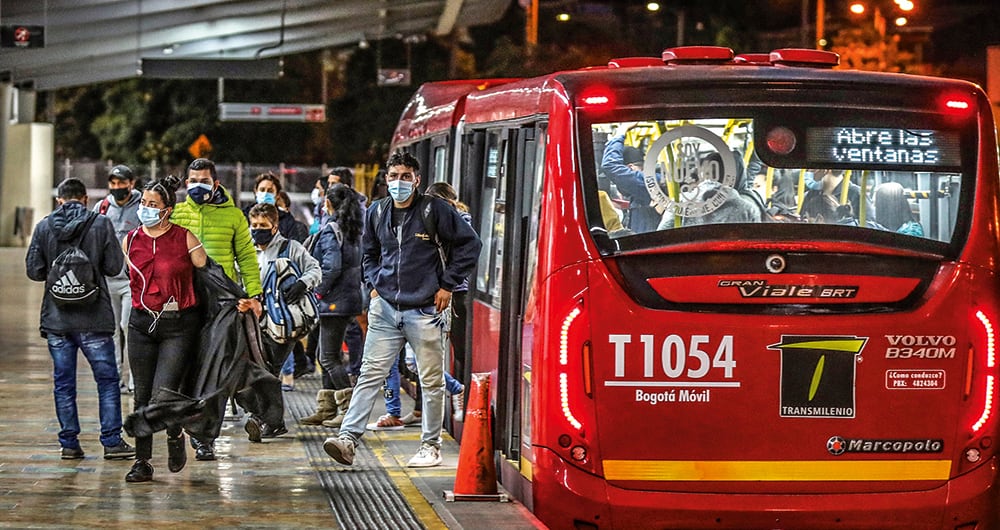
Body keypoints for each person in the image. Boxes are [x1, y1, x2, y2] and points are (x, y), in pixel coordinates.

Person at [323, 152, 482, 469]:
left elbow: (470, 245)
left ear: (417, 179)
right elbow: (369, 252)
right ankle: (348, 440)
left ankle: (431, 446)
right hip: (385, 309)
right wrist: (373, 284)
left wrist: (448, 285)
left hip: (425, 310)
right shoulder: (378, 212)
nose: (399, 182)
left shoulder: (434, 210)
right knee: (369, 375)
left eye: (405, 176)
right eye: (393, 176)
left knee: (431, 381)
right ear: (386, 179)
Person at [25, 178, 135, 462]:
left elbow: (34, 271)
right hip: (94, 318)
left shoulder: (44, 226)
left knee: (64, 383)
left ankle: (69, 444)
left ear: (59, 200)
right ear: (85, 199)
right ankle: (111, 442)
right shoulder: (100, 224)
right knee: (108, 381)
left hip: (57, 319)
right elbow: (114, 267)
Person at [171, 157, 262, 461]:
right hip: (184, 302)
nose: (198, 186)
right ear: (186, 184)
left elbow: (247, 259)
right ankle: (187, 424)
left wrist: (254, 296)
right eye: (193, 181)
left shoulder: (234, 216)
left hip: (223, 304)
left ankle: (204, 436)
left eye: (204, 181)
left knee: (217, 371)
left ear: (216, 184)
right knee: (188, 367)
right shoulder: (176, 214)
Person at [121, 174, 208, 483]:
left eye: (153, 204)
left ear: (167, 209)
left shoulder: (186, 238)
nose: (145, 208)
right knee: (141, 395)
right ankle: (142, 461)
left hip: (178, 325)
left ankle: (174, 433)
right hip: (141, 323)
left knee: (164, 393)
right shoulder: (130, 240)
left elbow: (210, 276)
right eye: (143, 202)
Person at [245, 203, 321, 441]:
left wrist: (302, 284)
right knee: (257, 371)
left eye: (263, 225)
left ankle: (262, 418)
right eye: (254, 225)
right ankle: (270, 420)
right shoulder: (247, 249)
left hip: (285, 323)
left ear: (274, 225)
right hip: (254, 321)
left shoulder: (291, 248)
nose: (257, 230)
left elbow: (316, 270)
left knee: (269, 369)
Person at [298, 184, 364, 428]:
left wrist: (316, 291)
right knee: (325, 354)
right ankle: (326, 407)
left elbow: (332, 267)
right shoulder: (352, 230)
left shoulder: (330, 231)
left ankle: (349, 410)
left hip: (334, 301)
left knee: (328, 358)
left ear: (329, 204)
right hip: (348, 299)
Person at [95, 164, 141, 394]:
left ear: (132, 184)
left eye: (121, 183)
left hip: (132, 281)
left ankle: (135, 380)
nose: (117, 188)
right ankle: (115, 379)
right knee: (111, 331)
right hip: (107, 280)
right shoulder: (102, 208)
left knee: (128, 327)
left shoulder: (143, 207)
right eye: (113, 183)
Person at [601, 128, 661, 233]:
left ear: (630, 168)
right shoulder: (646, 185)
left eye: (619, 181)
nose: (619, 184)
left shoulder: (645, 184)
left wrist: (619, 134)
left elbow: (610, 166)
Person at [243, 173, 309, 243]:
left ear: (277, 195)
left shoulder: (287, 220)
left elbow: (293, 246)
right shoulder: (243, 217)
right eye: (262, 190)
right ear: (256, 192)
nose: (265, 194)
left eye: (270, 191)